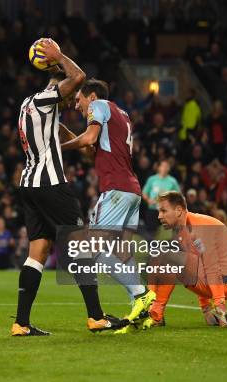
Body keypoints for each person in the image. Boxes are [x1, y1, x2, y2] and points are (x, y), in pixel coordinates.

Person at [12, 39, 121, 336]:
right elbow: (79, 77)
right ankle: (97, 316)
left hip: (29, 184)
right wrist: (59, 57)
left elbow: (57, 134)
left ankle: (21, 323)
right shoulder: (48, 98)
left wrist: (76, 142)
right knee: (80, 245)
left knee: (38, 253)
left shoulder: (28, 104)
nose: (73, 102)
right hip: (50, 184)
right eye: (69, 97)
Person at [61, 78, 156, 330]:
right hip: (131, 191)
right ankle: (143, 313)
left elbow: (89, 137)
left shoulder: (98, 105)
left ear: (91, 96)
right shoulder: (120, 113)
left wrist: (57, 147)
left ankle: (141, 295)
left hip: (115, 189)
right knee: (123, 252)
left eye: (78, 99)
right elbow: (93, 147)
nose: (76, 105)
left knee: (94, 248)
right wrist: (69, 135)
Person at [144, 191, 227, 328]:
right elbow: (199, 264)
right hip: (218, 281)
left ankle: (154, 312)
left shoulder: (200, 228)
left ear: (179, 210)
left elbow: (211, 267)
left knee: (165, 257)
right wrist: (206, 309)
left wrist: (220, 307)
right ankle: (153, 312)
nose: (159, 216)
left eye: (163, 211)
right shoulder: (185, 228)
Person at [142, 160, 181, 233]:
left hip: (167, 211)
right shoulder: (152, 179)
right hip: (153, 209)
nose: (165, 168)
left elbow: (178, 195)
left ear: (169, 168)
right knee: (151, 233)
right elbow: (144, 192)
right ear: (159, 168)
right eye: (163, 166)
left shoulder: (172, 181)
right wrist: (148, 200)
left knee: (166, 233)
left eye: (167, 166)